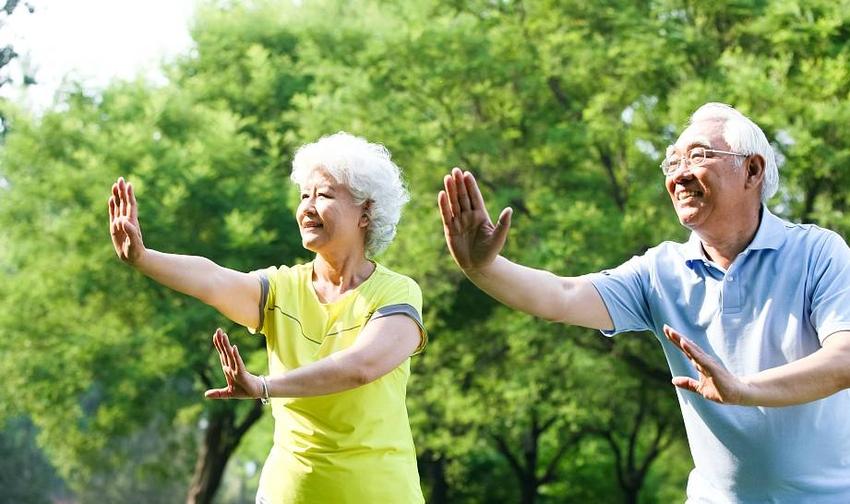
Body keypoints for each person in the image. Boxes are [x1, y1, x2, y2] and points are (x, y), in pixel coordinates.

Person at [438, 102, 850, 503]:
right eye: (672, 163)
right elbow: (562, 297)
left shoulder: (818, 252)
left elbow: (844, 358)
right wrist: (483, 268)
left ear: (753, 170)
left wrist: (743, 389)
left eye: (698, 156)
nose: (680, 175)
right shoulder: (660, 271)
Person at [109, 132, 427, 504]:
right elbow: (212, 279)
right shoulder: (281, 289)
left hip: (379, 493)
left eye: (323, 195)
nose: (307, 206)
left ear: (366, 213)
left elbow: (360, 366)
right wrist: (144, 259)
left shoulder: (398, 293)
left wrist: (264, 386)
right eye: (304, 195)